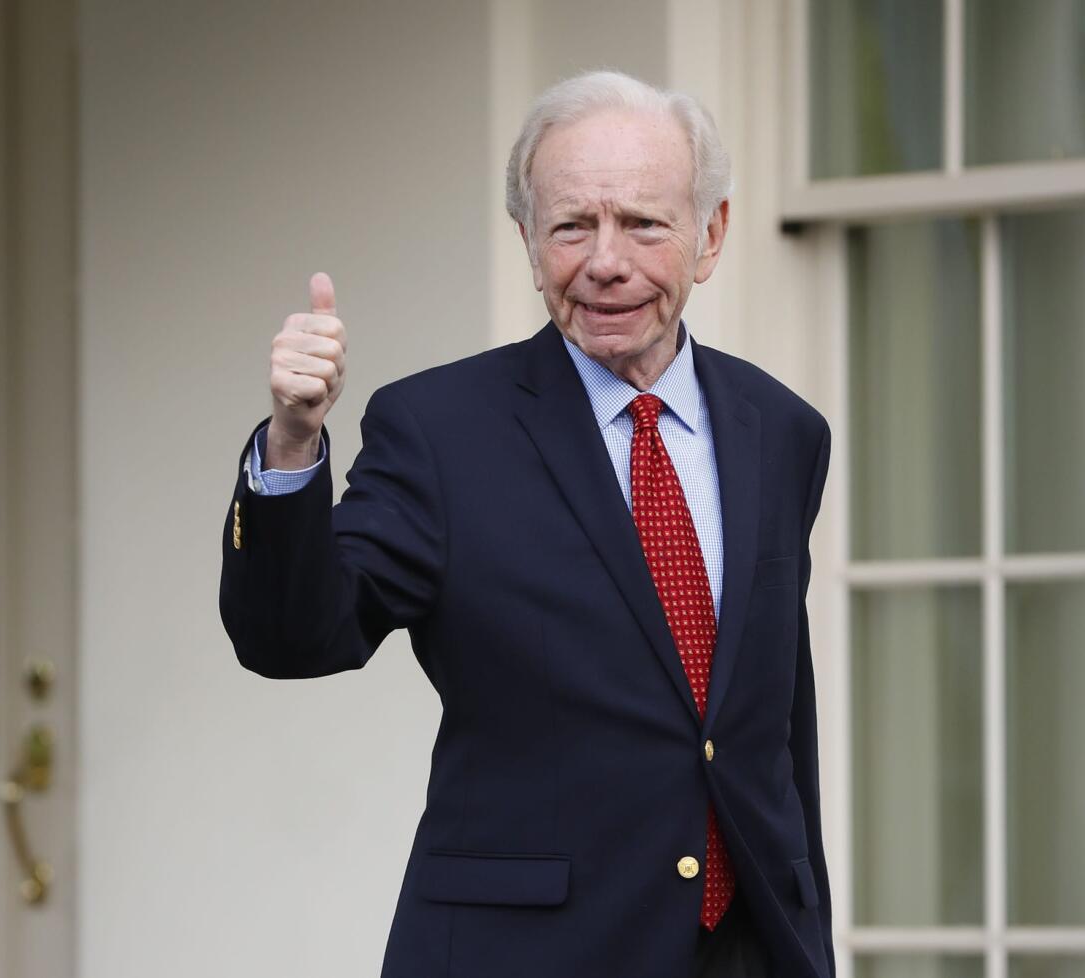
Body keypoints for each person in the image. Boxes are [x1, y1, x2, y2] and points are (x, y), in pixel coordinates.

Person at [220, 70, 834, 978]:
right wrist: (293, 439)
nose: (605, 260)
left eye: (643, 224)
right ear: (527, 239)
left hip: (747, 947)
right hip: (528, 951)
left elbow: (776, 724)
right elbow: (296, 635)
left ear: (711, 235)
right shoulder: (438, 431)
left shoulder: (780, 430)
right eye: (572, 225)